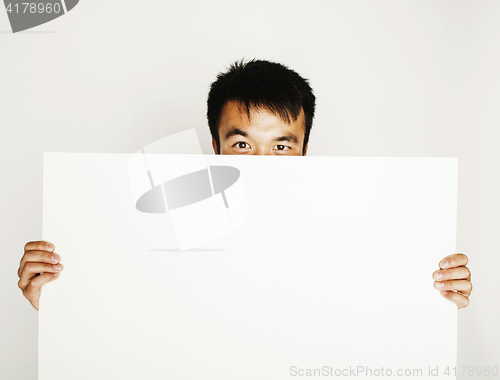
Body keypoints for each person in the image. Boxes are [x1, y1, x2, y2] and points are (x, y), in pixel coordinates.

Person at [17, 59, 472, 311]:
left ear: (304, 151)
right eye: (242, 144)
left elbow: (378, 319)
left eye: (280, 146)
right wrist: (56, 299)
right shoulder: (167, 231)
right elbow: (128, 320)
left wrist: (436, 299)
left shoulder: (355, 234)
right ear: (215, 146)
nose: (261, 164)